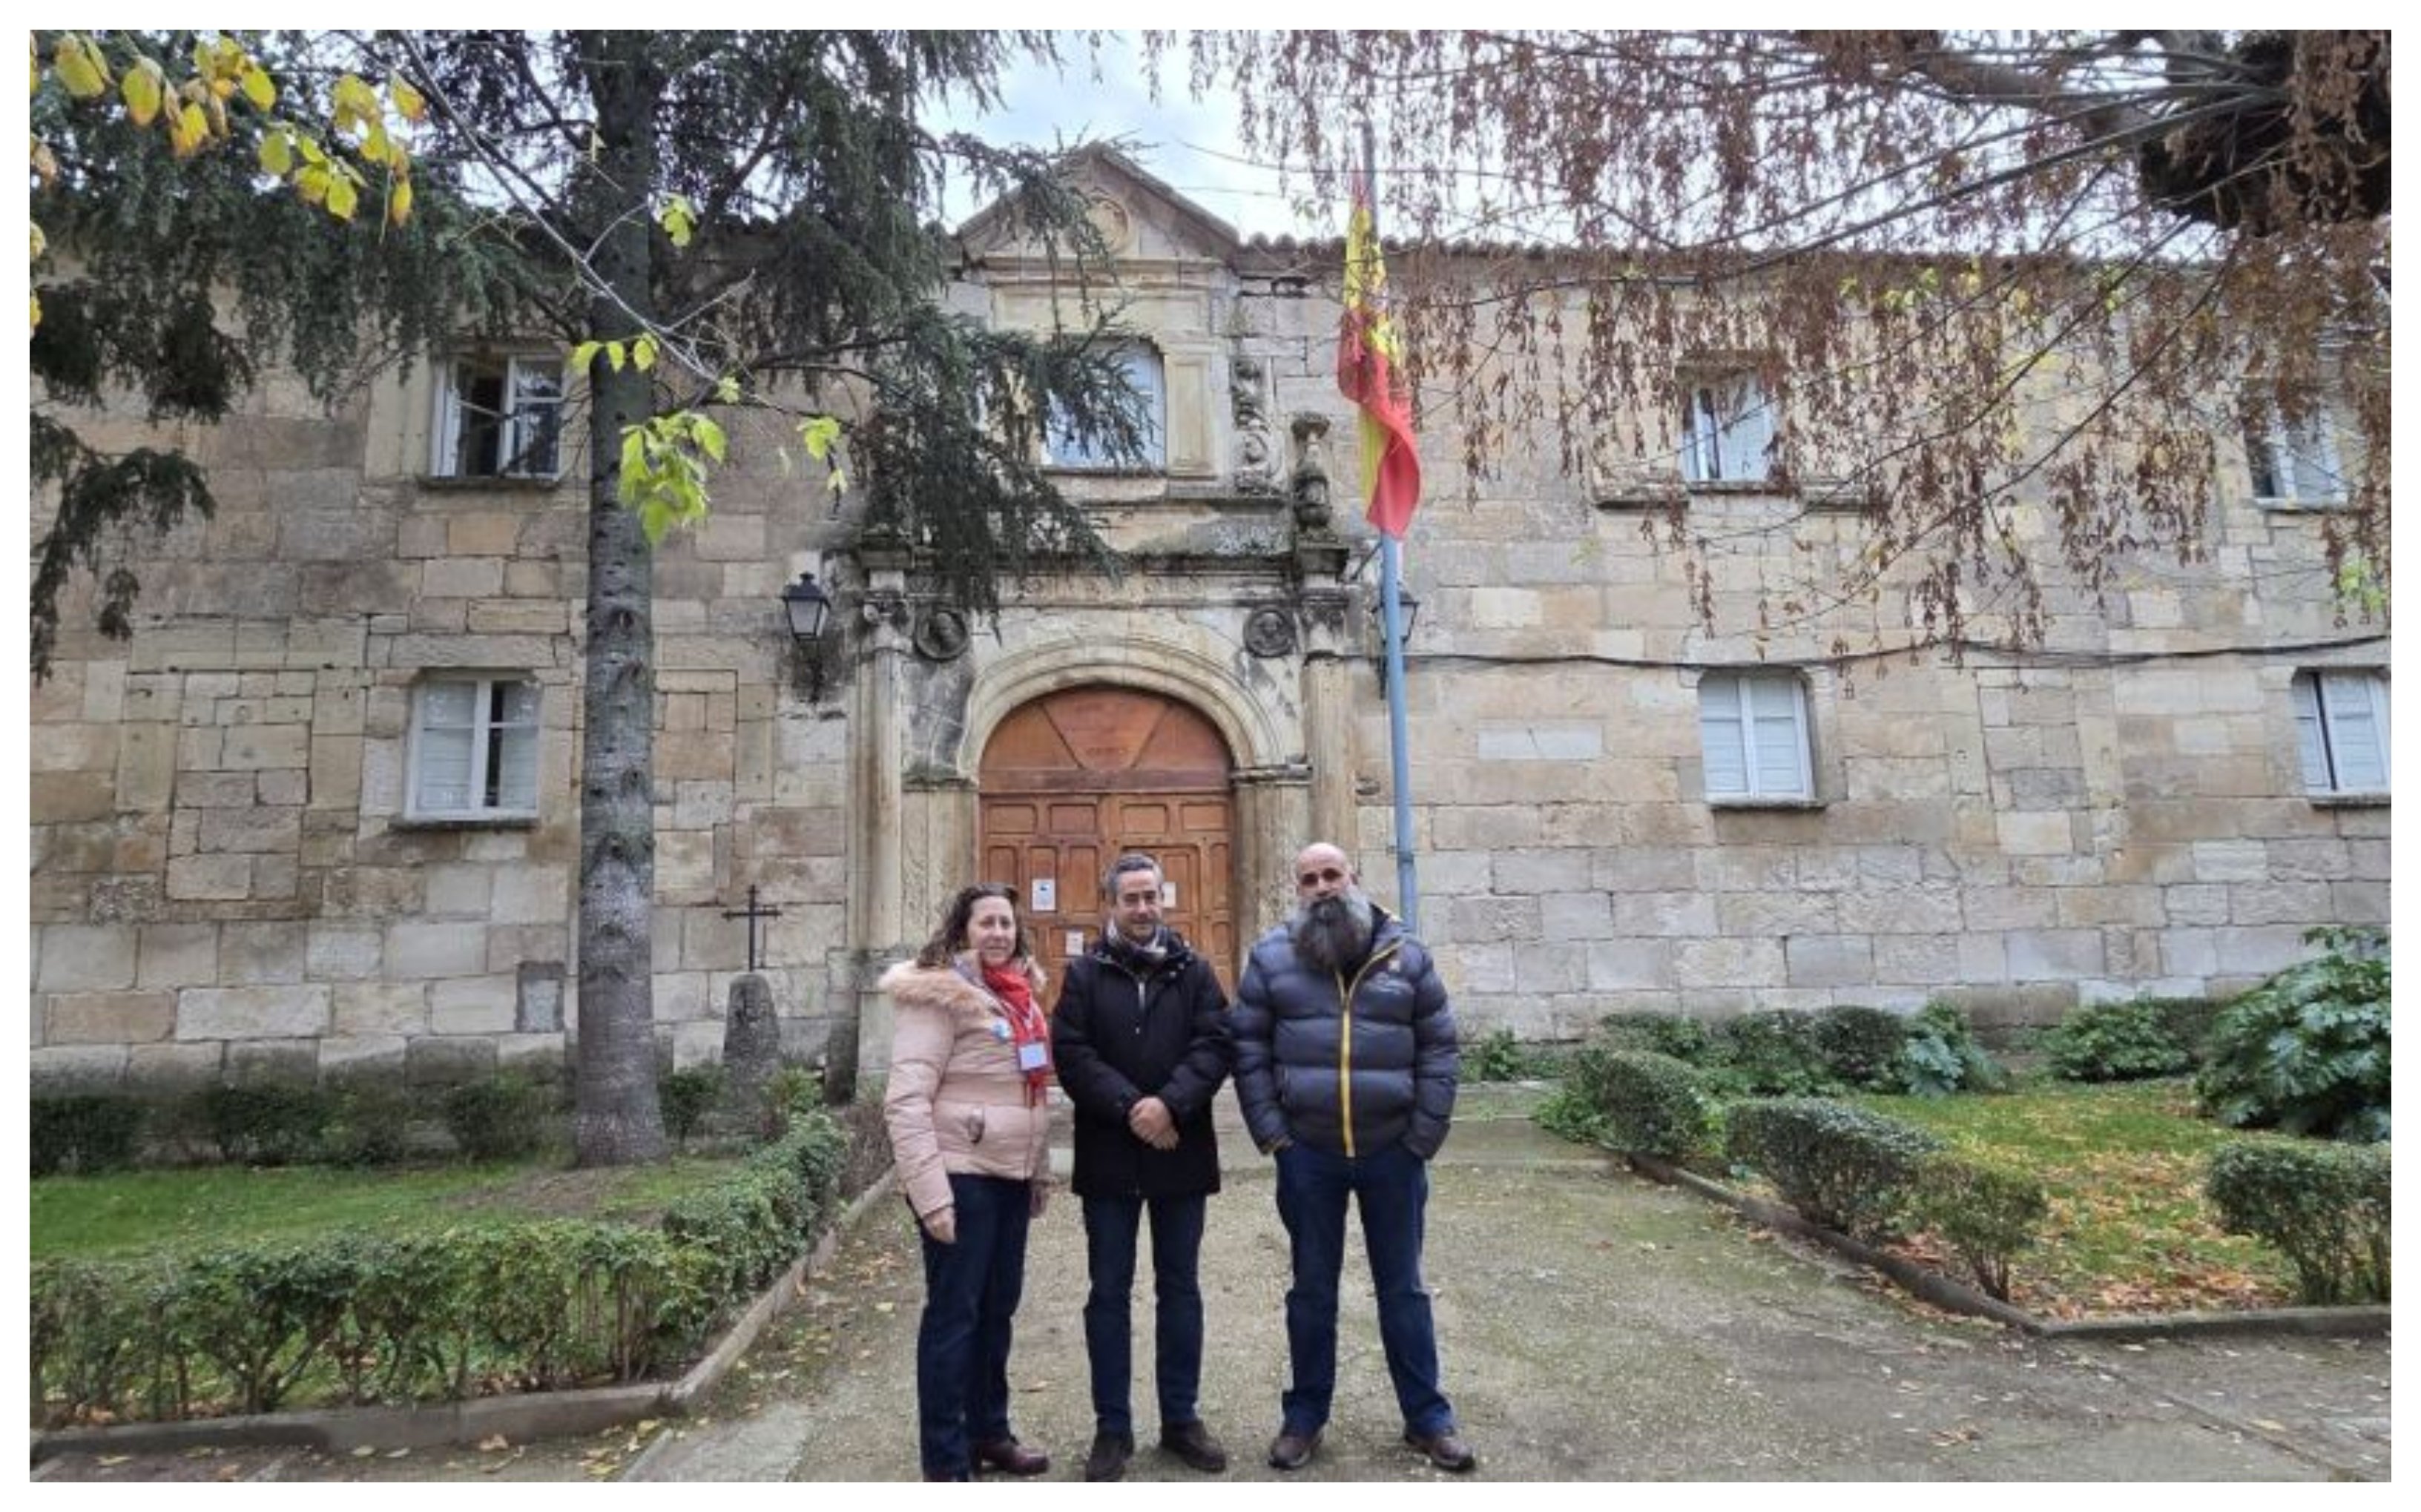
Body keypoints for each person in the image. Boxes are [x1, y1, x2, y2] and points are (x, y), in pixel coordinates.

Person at [1229, 842, 1477, 1474]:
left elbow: (1440, 1048)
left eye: (1332, 874)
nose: (1322, 887)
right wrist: (1274, 1136)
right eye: (1309, 878)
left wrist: (1422, 1135)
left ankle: (1428, 1419)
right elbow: (1249, 1049)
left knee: (1404, 1290)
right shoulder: (1273, 956)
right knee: (1311, 1291)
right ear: (1299, 888)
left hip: (1393, 1151)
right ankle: (1304, 1418)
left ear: (1355, 879)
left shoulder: (1407, 955)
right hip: (1308, 1153)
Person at [1050, 854, 1235, 1482]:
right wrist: (1134, 1107)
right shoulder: (1083, 975)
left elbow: (1215, 1044)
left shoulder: (1196, 971)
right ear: (1111, 904)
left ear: (1165, 898)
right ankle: (1113, 1427)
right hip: (1110, 1157)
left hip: (1179, 1150)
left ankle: (1181, 1418)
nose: (1142, 908)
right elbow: (1071, 1053)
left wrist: (1170, 1103)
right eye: (1130, 898)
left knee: (1179, 1287)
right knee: (1108, 1293)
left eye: (1151, 896)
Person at [880, 884, 1056, 1482]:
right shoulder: (940, 997)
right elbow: (905, 1101)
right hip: (961, 1178)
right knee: (954, 1319)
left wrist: (1038, 1172)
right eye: (987, 923)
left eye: (1007, 922)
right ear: (962, 932)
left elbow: (1032, 1092)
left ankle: (990, 1432)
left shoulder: (1020, 996)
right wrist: (929, 1196)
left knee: (997, 1312)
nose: (999, 932)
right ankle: (947, 1460)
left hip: (1008, 1177)